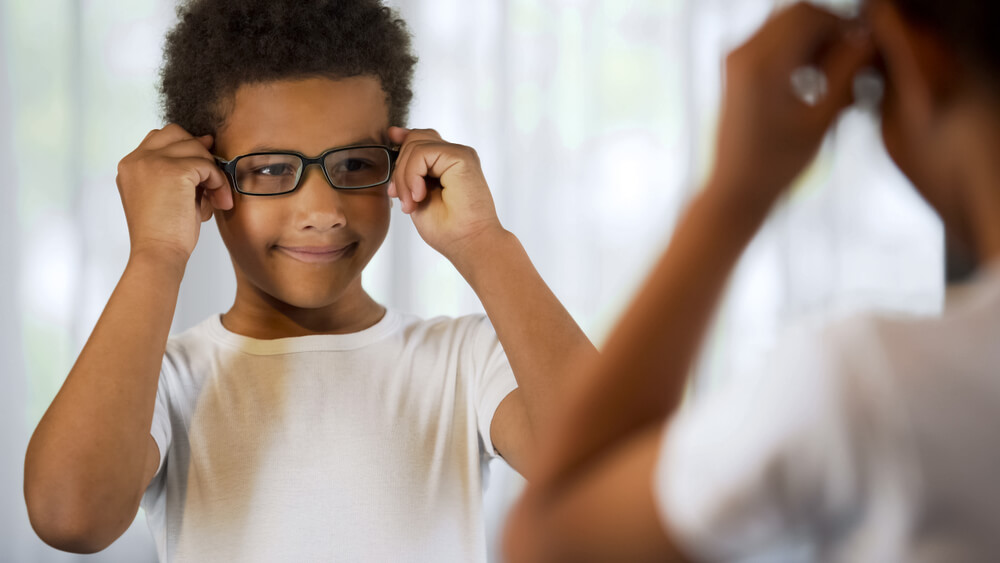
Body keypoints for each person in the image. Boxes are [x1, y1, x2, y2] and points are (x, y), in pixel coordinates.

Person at [23, 0, 595, 560]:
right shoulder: (162, 381)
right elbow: (71, 517)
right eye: (272, 169)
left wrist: (484, 243)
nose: (322, 211)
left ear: (396, 164)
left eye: (354, 164)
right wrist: (156, 252)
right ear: (201, 181)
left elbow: (605, 471)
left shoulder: (468, 361)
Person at [504, 0, 1000, 561]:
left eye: (875, 87)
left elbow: (551, 540)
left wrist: (732, 197)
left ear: (918, 54)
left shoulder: (875, 384)